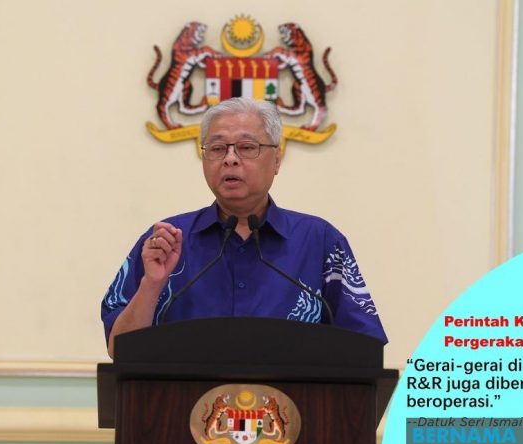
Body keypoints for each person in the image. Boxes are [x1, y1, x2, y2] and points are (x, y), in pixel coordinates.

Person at [101, 97, 386, 357]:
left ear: (276, 160)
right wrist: (152, 285)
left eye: (247, 147)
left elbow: (365, 349)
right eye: (217, 148)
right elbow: (120, 350)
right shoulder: (166, 240)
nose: (230, 158)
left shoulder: (320, 241)